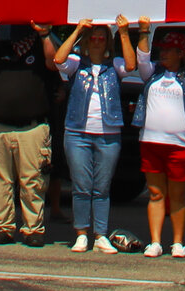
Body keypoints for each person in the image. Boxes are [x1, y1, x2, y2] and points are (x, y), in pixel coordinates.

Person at [57, 17, 139, 253]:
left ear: (107, 42)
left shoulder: (114, 66)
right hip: (77, 133)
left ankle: (101, 234)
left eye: (101, 38)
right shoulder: (76, 63)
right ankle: (81, 233)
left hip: (108, 133)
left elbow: (132, 66)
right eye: (92, 38)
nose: (96, 42)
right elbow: (58, 59)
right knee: (81, 186)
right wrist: (77, 31)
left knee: (102, 187)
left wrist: (123, 33)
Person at [0, 22, 62, 246]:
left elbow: (54, 63)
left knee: (33, 181)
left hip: (32, 128)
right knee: (0, 180)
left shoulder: (42, 47)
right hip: (0, 127)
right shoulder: (1, 47)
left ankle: (33, 229)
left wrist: (44, 34)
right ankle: (2, 227)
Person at [132, 16, 185, 258]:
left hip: (181, 145)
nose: (163, 55)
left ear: (180, 54)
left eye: (170, 51)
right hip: (151, 143)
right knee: (155, 193)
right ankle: (155, 241)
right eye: (162, 50)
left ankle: (177, 242)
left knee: (178, 196)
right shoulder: (152, 74)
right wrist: (144, 31)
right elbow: (142, 58)